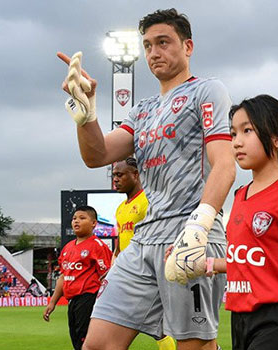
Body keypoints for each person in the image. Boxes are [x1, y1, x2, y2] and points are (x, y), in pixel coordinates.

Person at [57, 8, 235, 350]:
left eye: (164, 42)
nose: (154, 52)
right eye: (148, 45)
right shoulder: (143, 109)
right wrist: (86, 113)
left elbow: (225, 164)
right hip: (143, 241)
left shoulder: (207, 91)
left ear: (188, 47)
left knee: (193, 345)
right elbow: (96, 156)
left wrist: (199, 226)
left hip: (190, 233)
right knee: (97, 344)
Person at [198, 95, 278, 349]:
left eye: (247, 131)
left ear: (277, 139)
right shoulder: (240, 196)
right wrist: (203, 263)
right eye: (233, 133)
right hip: (240, 318)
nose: (237, 142)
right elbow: (249, 261)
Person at [112, 157, 176, 350]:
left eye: (120, 174)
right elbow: (120, 241)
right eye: (114, 175)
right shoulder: (120, 209)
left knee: (163, 326)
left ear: (136, 175)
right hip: (128, 268)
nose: (115, 179)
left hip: (148, 268)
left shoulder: (147, 200)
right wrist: (114, 264)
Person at [43, 206, 113, 350]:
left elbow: (107, 276)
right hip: (72, 300)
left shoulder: (98, 246)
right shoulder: (67, 248)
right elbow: (63, 276)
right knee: (76, 339)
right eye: (74, 218)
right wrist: (53, 302)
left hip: (88, 298)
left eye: (82, 218)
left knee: (86, 339)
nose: (76, 221)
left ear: (94, 223)